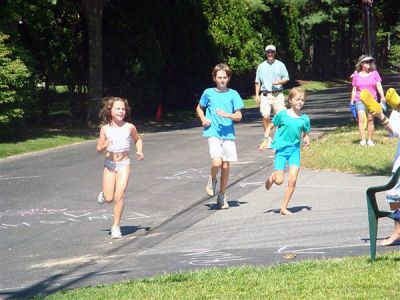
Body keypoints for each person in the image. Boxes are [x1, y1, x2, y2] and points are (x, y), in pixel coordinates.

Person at [196, 63, 244, 209]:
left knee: (225, 165)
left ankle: (222, 195)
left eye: (225, 77)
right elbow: (199, 107)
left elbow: (239, 115)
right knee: (217, 162)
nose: (222, 80)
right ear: (214, 78)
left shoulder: (233, 94)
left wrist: (228, 115)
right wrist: (203, 119)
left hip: (228, 133)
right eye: (219, 77)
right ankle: (212, 179)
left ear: (228, 78)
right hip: (213, 132)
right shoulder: (208, 92)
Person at [96, 96, 144, 239]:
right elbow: (98, 148)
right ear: (110, 110)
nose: (121, 111)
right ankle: (104, 194)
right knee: (110, 198)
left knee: (120, 195)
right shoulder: (105, 129)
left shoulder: (129, 127)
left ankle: (116, 226)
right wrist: (104, 146)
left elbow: (138, 139)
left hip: (124, 164)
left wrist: (139, 151)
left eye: (123, 109)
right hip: (110, 165)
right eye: (118, 108)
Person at [258, 87, 311, 215]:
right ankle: (272, 178)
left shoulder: (305, 118)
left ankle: (283, 208)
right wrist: (265, 140)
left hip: (294, 151)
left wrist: (306, 140)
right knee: (279, 181)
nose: (300, 102)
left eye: (302, 100)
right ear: (290, 100)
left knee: (292, 180)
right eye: (297, 99)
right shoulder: (282, 115)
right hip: (281, 151)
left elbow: (305, 133)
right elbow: (270, 126)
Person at [368, 94, 400, 246]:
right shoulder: (397, 114)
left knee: (394, 194)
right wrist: (380, 115)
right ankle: (399, 231)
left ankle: (398, 232)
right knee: (394, 196)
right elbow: (393, 131)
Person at [255, 44, 289, 147]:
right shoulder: (261, 66)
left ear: (275, 53)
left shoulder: (280, 65)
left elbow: (286, 78)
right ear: (265, 53)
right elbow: (257, 82)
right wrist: (257, 95)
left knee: (281, 117)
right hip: (265, 94)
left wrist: (279, 82)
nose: (270, 54)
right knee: (265, 116)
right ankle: (267, 138)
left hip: (278, 94)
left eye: (272, 52)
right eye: (268, 52)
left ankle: (279, 138)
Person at [350, 54, 386, 146]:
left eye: (370, 61)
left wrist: (382, 96)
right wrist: (351, 101)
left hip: (372, 99)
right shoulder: (356, 76)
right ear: (361, 64)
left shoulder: (375, 73)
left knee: (371, 119)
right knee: (361, 119)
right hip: (359, 99)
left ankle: (369, 140)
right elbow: (354, 90)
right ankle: (363, 140)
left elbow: (379, 85)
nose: (369, 63)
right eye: (366, 62)